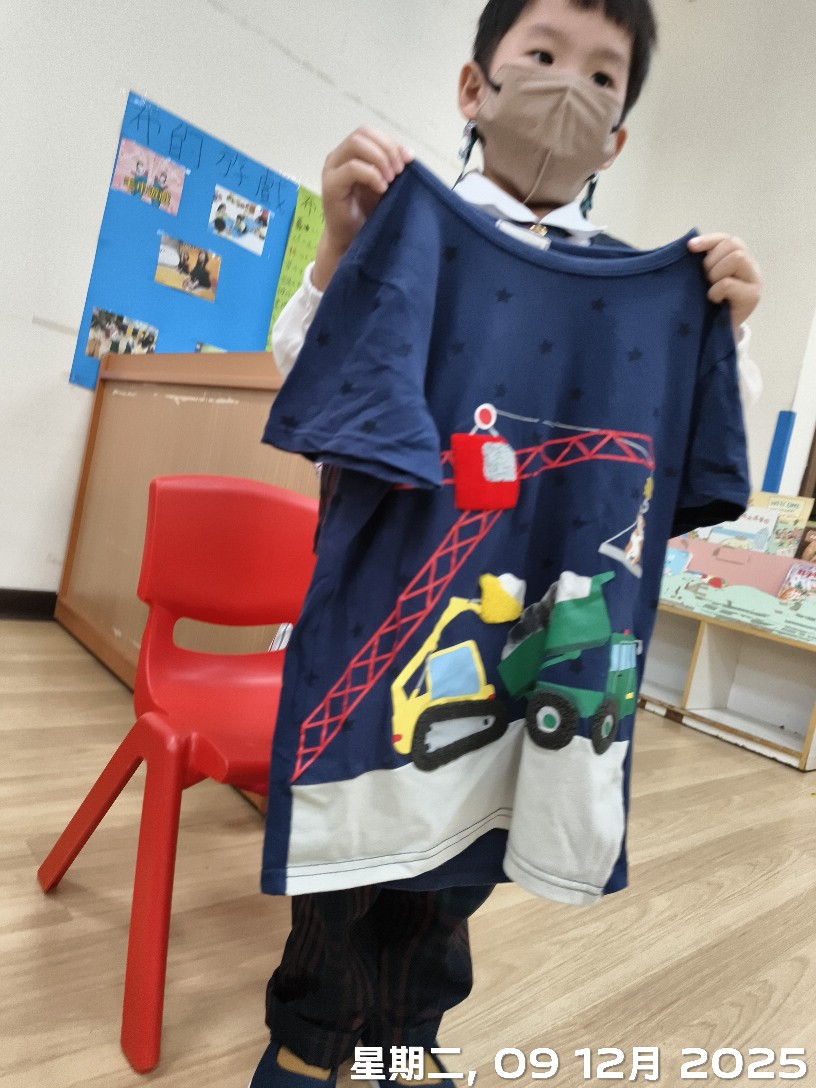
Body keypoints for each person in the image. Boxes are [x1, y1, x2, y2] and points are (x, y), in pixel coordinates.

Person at [249, 2, 762, 1086]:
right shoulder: (409, 228)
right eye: (543, 53)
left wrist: (726, 331)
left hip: (519, 673)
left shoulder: (653, 292)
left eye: (604, 76)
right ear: (474, 87)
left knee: (452, 893)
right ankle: (308, 1057)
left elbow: (688, 465)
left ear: (617, 139)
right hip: (384, 644)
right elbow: (308, 376)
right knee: (346, 897)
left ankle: (401, 1055)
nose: (570, 86)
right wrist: (340, 248)